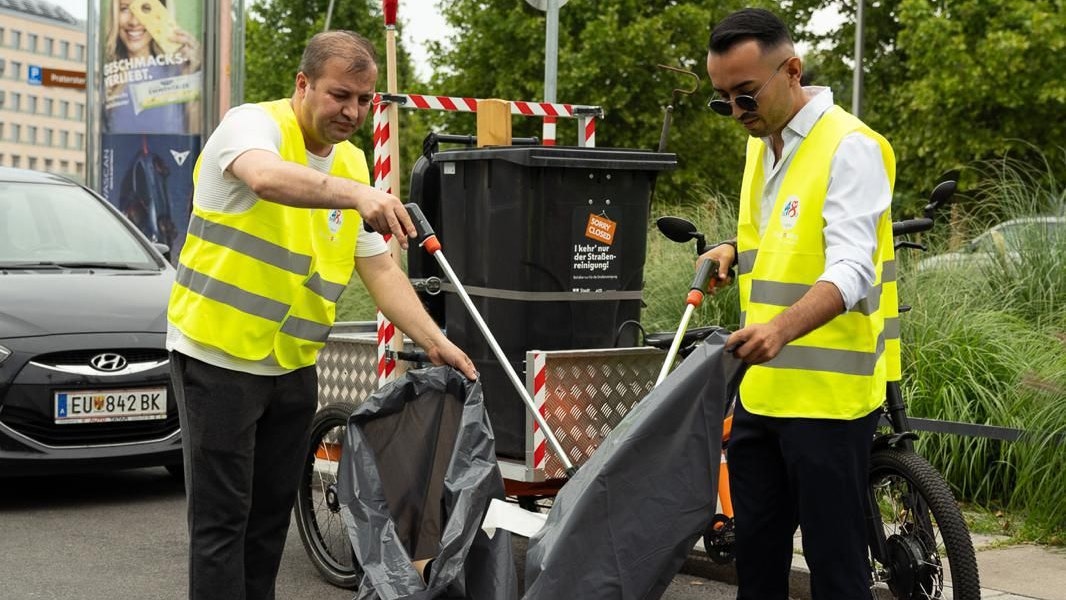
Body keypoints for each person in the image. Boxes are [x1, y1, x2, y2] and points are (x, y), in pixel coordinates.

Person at [166, 30, 478, 600]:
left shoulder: (354, 163)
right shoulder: (250, 125)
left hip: (290, 364)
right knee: (221, 525)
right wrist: (355, 196)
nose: (353, 111)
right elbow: (263, 177)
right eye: (340, 95)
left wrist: (435, 340)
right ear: (303, 84)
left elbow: (380, 270)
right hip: (218, 356)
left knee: (267, 526)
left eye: (364, 99)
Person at [700, 8, 898, 600]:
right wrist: (733, 249)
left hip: (830, 403)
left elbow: (853, 268)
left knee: (836, 570)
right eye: (723, 100)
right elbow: (776, 243)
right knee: (757, 566)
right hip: (762, 392)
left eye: (746, 95)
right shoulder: (763, 144)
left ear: (792, 70)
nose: (737, 113)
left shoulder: (852, 147)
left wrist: (783, 328)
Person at [103, 0, 201, 134]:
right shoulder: (108, 76)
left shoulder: (179, 70)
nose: (134, 21)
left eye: (145, 8)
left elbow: (197, 137)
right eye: (125, 9)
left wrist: (192, 76)